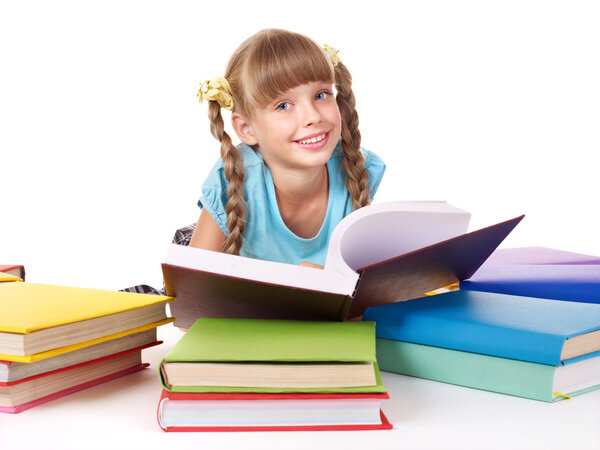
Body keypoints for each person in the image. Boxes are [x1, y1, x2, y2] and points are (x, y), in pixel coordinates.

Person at [189, 28, 385, 268]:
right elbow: (191, 293)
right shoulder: (232, 181)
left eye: (322, 94)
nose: (312, 116)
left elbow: (366, 283)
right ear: (246, 128)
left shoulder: (354, 168)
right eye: (283, 106)